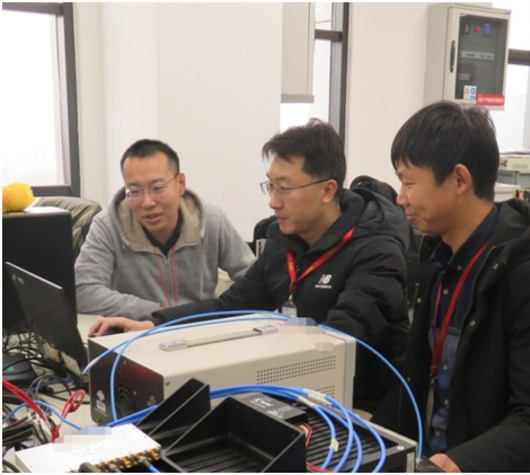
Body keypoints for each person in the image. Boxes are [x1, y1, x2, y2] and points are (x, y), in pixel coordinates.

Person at [89, 120, 412, 412]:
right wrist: (154, 324)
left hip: (360, 409)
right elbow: (230, 306)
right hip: (296, 394)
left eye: (284, 188)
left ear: (327, 190)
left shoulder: (376, 251)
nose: (272, 201)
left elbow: (339, 343)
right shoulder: (284, 242)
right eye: (270, 186)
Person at [385, 102, 530, 472]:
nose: (401, 197)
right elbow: (417, 379)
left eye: (409, 183)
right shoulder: (438, 258)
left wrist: (460, 463)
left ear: (460, 180)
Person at [75, 139, 255, 320]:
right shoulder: (108, 225)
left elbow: (255, 279)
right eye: (135, 191)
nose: (147, 202)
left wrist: (216, 311)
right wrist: (156, 313)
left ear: (180, 184)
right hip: (138, 330)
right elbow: (83, 289)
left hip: (200, 327)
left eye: (157, 188)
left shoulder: (211, 220)